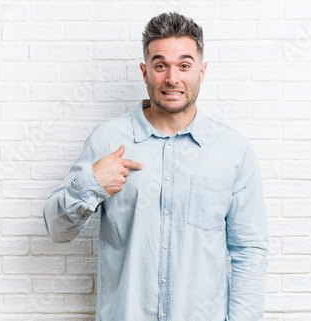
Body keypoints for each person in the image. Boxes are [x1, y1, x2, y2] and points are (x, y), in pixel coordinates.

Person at [43, 12, 268, 321]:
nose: (172, 78)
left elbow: (249, 251)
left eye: (184, 66)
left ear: (201, 72)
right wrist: (91, 184)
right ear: (145, 71)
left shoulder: (233, 150)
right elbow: (57, 229)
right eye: (160, 65)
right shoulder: (107, 140)